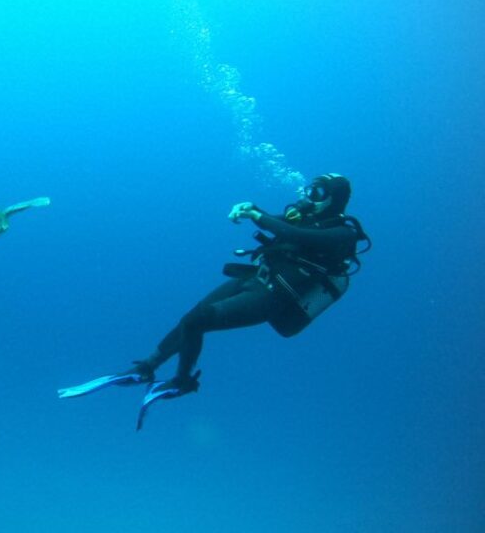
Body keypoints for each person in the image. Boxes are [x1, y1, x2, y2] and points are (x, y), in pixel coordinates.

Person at [58, 173, 371, 428]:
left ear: (335, 200)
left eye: (317, 193)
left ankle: (182, 381)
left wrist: (256, 213)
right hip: (255, 278)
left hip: (275, 296)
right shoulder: (301, 217)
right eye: (309, 189)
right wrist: (252, 208)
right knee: (191, 317)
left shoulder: (343, 235)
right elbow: (280, 224)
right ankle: (146, 368)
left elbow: (300, 237)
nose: (307, 197)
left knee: (198, 321)